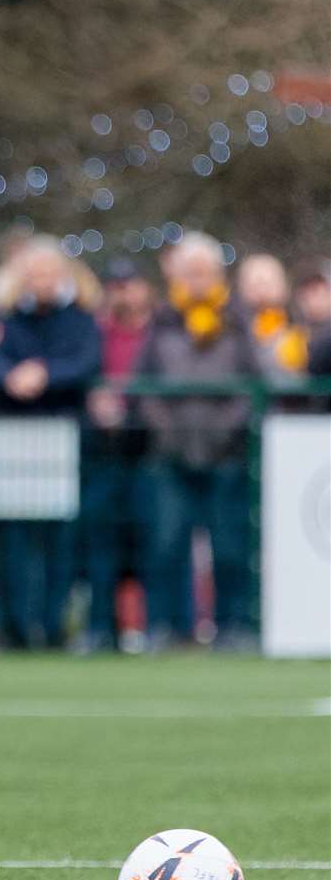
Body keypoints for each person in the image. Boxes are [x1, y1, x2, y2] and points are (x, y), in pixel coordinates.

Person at [135, 232, 260, 649]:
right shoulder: (163, 320)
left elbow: (252, 384)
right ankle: (165, 627)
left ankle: (234, 626)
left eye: (204, 271)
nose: (197, 280)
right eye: (189, 272)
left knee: (230, 546)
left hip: (227, 453)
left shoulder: (237, 320)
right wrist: (167, 431)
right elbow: (145, 383)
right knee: (166, 544)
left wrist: (225, 429)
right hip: (170, 454)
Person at [0, 236, 101, 649]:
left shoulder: (82, 319)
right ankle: (17, 627)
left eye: (49, 273)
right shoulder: (9, 318)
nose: (42, 281)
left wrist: (44, 374)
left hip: (64, 442)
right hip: (17, 443)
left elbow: (86, 362)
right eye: (34, 274)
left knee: (61, 540)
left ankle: (52, 628)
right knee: (15, 539)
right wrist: (10, 376)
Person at [81, 258, 155, 653]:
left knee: (151, 542)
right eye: (117, 284)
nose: (123, 291)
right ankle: (98, 628)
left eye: (131, 283)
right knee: (100, 545)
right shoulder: (95, 332)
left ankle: (151, 626)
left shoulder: (160, 331)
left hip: (150, 449)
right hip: (103, 451)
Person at [236, 253, 307, 377]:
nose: (261, 291)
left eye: (267, 283)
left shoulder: (299, 324)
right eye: (255, 284)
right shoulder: (234, 327)